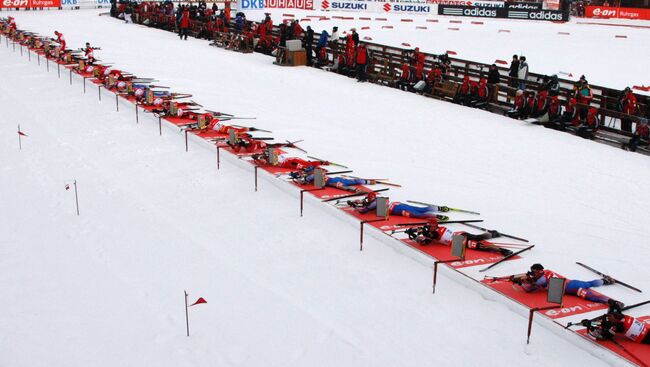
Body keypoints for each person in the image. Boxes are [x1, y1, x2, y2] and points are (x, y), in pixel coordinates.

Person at [513, 263, 624, 307]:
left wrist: (521, 283)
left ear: (539, 271)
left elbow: (529, 289)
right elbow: (533, 280)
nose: (532, 273)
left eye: (534, 271)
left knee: (591, 296)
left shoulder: (540, 280)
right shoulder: (544, 274)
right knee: (588, 283)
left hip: (572, 288)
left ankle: (612, 302)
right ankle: (605, 281)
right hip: (570, 283)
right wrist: (526, 279)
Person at [405, 218, 513, 256]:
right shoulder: (430, 230)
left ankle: (502, 250)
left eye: (429, 225)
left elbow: (430, 236)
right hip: (458, 237)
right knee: (477, 240)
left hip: (458, 240)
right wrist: (413, 232)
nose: (428, 227)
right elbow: (424, 237)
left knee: (479, 244)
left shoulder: (436, 231)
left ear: (433, 225)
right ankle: (493, 234)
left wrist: (417, 234)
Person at [347, 192, 449, 220]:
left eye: (368, 198)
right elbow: (366, 205)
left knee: (416, 214)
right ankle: (438, 208)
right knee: (419, 209)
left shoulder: (374, 203)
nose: (367, 200)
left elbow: (364, 210)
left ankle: (437, 216)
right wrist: (356, 202)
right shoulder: (377, 200)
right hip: (397, 205)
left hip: (398, 209)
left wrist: (355, 206)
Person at [581, 308, 650, 344]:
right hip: (647, 331)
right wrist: (591, 323)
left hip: (645, 338)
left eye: (610, 318)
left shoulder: (619, 326)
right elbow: (607, 323)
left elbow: (605, 336)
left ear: (615, 318)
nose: (609, 319)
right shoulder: (625, 317)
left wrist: (591, 325)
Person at [290, 167, 375, 192]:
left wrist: (298, 178)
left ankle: (359, 188)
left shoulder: (312, 175)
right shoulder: (313, 174)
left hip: (331, 181)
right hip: (331, 180)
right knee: (351, 182)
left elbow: (304, 181)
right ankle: (367, 182)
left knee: (344, 185)